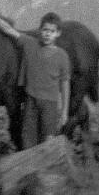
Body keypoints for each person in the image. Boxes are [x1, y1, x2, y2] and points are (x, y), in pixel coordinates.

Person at [21, 11, 71, 147]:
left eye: (52, 31)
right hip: (31, 100)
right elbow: (10, 31)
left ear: (58, 33)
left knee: (48, 140)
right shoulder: (31, 44)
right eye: (45, 30)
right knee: (28, 139)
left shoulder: (62, 56)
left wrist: (64, 112)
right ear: (40, 30)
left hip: (50, 104)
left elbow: (65, 84)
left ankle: (49, 160)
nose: (48, 34)